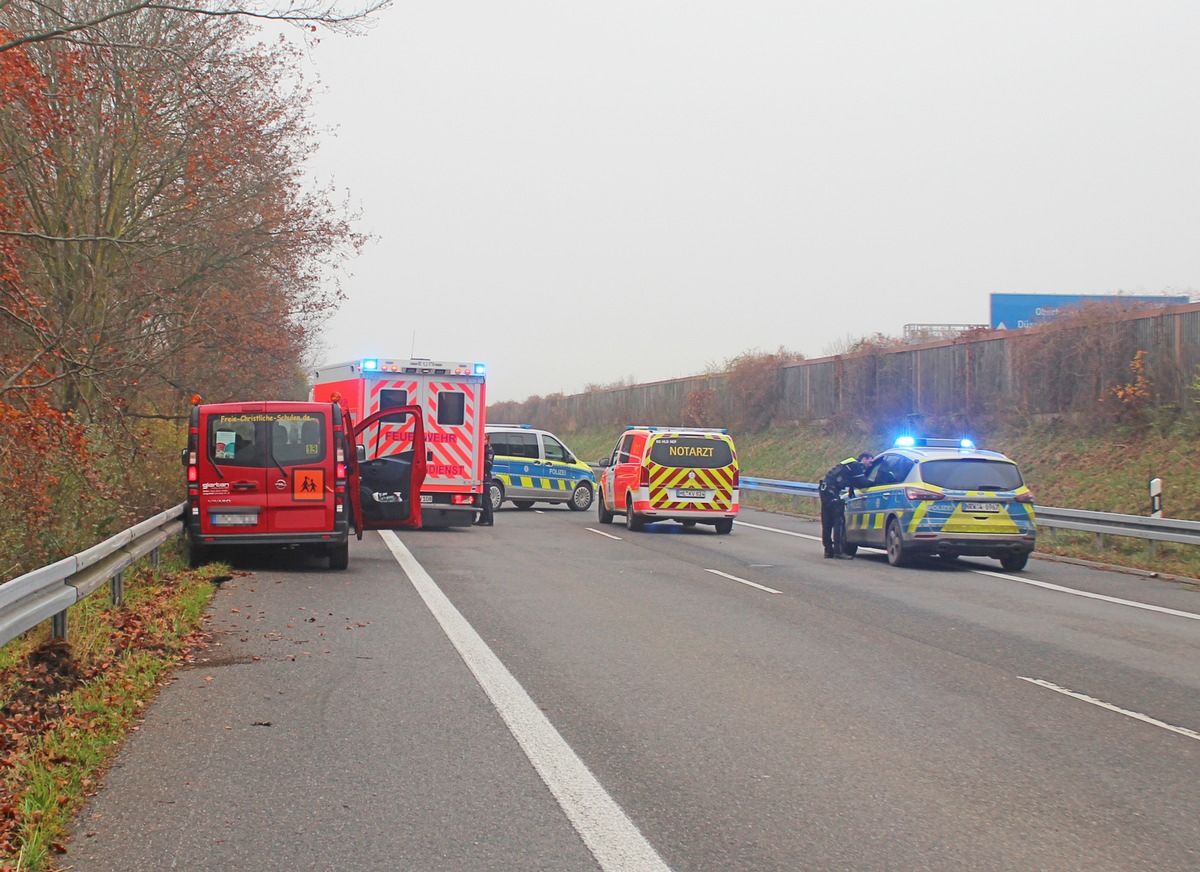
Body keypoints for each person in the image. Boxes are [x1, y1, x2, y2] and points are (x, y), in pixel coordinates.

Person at [819, 452, 873, 558]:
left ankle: (828, 551)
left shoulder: (850, 464)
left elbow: (852, 480)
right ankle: (838, 552)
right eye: (870, 461)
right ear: (864, 459)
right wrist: (876, 482)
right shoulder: (857, 466)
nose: (870, 464)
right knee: (839, 521)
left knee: (827, 522)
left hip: (825, 490)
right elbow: (862, 482)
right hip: (831, 492)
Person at [475, 435, 495, 526]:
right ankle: (482, 519)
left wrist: (479, 460)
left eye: (484, 439)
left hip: (486, 476)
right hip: (481, 476)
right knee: (482, 500)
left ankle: (488, 520)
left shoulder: (489, 450)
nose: (482, 441)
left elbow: (488, 464)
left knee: (486, 499)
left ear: (487, 440)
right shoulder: (481, 449)